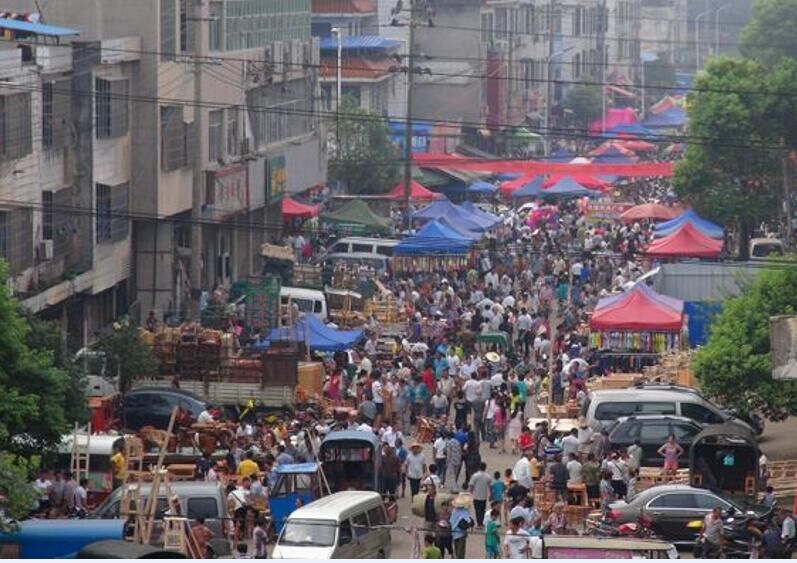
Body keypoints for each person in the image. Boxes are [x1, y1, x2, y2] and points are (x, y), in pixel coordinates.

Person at [449, 493, 474, 559]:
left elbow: (451, 521)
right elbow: (469, 521)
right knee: (461, 552)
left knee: (456, 549)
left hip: (454, 533)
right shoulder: (465, 512)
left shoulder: (454, 511)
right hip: (461, 534)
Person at [468, 462, 492, 527]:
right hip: (484, 496)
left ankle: (479, 523)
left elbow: (471, 485)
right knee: (482, 510)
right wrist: (490, 495)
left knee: (477, 510)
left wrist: (469, 493)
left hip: (476, 496)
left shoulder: (475, 475)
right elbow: (490, 486)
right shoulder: (488, 476)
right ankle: (481, 522)